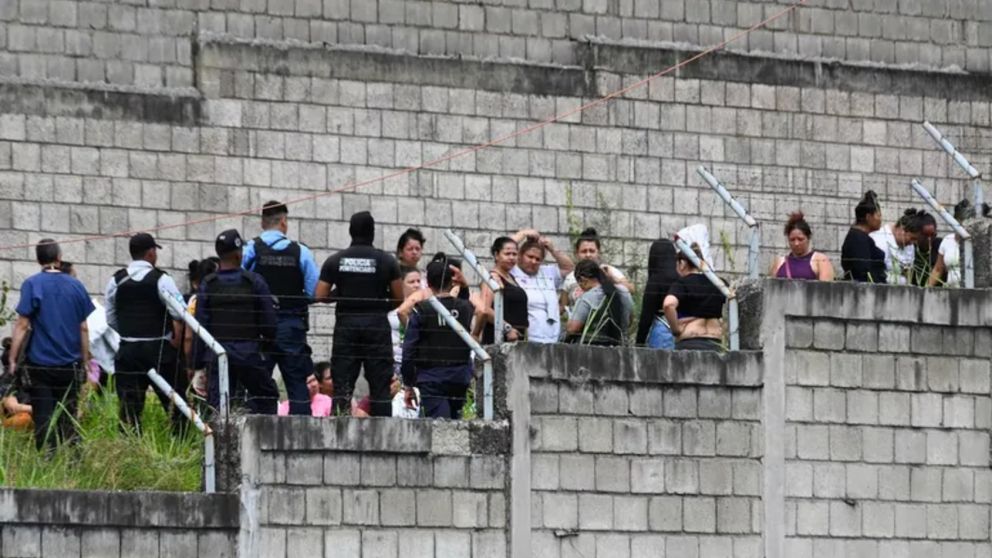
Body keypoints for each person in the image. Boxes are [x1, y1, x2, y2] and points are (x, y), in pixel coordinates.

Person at [6, 239, 94, 449]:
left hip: (41, 364)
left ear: (38, 259)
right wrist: (84, 358)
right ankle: (73, 459)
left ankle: (47, 457)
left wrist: (12, 358)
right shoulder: (76, 285)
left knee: (43, 416)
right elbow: (83, 327)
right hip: (70, 363)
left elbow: (22, 324)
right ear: (59, 257)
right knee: (68, 415)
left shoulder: (32, 284)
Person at [316, 211, 403, 416]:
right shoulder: (386, 261)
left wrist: (343, 295)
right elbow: (399, 298)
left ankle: (339, 431)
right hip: (376, 327)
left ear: (350, 231)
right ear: (372, 232)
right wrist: (378, 303)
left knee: (342, 388)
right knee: (381, 388)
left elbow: (320, 294)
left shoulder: (335, 260)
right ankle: (383, 438)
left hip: (346, 326)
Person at [242, 201, 319, 416]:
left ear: (262, 222)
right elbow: (313, 292)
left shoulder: (251, 249)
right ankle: (302, 438)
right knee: (297, 385)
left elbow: (239, 282)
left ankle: (255, 432)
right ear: (284, 222)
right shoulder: (301, 252)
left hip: (259, 328)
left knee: (258, 383)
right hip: (292, 327)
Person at [105, 233, 186, 433]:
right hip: (158, 351)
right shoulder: (162, 279)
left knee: (129, 411)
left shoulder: (116, 280)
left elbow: (110, 318)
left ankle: (130, 448)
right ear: (151, 253)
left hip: (128, 352)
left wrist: (128, 332)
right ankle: (180, 441)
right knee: (176, 404)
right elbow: (180, 312)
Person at [194, 230, 280, 415]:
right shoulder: (254, 281)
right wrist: (265, 345)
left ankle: (218, 442)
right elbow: (269, 322)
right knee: (266, 397)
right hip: (248, 352)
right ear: (238, 254)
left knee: (217, 407)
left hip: (218, 354)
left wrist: (197, 362)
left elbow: (200, 325)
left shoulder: (208, 284)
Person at [401, 254, 477, 419]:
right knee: (456, 425)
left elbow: (408, 350)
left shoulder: (421, 309)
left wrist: (408, 384)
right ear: (452, 282)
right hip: (460, 377)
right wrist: (464, 287)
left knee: (440, 427)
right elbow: (464, 305)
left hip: (431, 378)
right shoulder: (465, 307)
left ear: (427, 283)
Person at [510, 229, 574, 344]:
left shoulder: (547, 272)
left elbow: (568, 268)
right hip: (526, 340)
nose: (534, 261)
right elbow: (505, 248)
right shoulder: (512, 271)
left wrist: (552, 249)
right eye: (530, 257)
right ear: (519, 255)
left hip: (552, 339)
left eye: (538, 259)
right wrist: (523, 234)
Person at [663, 244, 727, 351]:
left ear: (682, 263)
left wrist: (676, 330)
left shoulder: (682, 284)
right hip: (715, 342)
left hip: (690, 341)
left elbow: (668, 304)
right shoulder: (718, 283)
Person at [560, 228, 635, 316]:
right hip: (577, 327)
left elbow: (631, 289)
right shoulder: (570, 278)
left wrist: (612, 279)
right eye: (584, 251)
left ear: (598, 252)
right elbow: (562, 306)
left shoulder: (608, 271)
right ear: (576, 254)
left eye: (592, 251)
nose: (588, 255)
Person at [473, 237, 529, 344]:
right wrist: (507, 328)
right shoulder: (492, 278)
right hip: (500, 338)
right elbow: (485, 309)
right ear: (496, 255)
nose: (511, 257)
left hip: (518, 338)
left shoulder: (512, 278)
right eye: (507, 254)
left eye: (514, 254)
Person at [565, 259, 634, 346]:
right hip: (621, 348)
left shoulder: (587, 297)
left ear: (582, 280)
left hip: (593, 350)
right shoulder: (624, 292)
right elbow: (630, 320)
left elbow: (573, 329)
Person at [184, 257, 220, 398]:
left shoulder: (194, 301)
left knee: (202, 401)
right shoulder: (225, 296)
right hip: (227, 354)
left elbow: (188, 337)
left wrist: (190, 364)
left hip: (202, 357)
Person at [636, 240, 679, 349]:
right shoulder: (681, 279)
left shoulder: (655, 281)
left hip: (661, 331)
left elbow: (646, 316)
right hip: (681, 331)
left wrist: (639, 343)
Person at [770, 212, 835, 281]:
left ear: (808, 238)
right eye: (792, 240)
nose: (796, 243)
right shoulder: (779, 262)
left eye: (800, 239)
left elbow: (826, 288)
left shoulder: (820, 260)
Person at [870, 208, 925, 285]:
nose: (913, 243)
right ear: (902, 229)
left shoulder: (909, 245)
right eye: (912, 238)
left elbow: (908, 272)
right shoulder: (879, 240)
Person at [841, 191, 887, 283]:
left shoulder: (860, 237)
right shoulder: (858, 240)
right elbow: (863, 272)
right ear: (868, 217)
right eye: (878, 215)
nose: (880, 220)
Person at [911, 212, 939, 287]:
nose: (929, 239)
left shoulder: (940, 248)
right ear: (917, 233)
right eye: (925, 235)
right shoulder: (909, 248)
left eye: (933, 235)